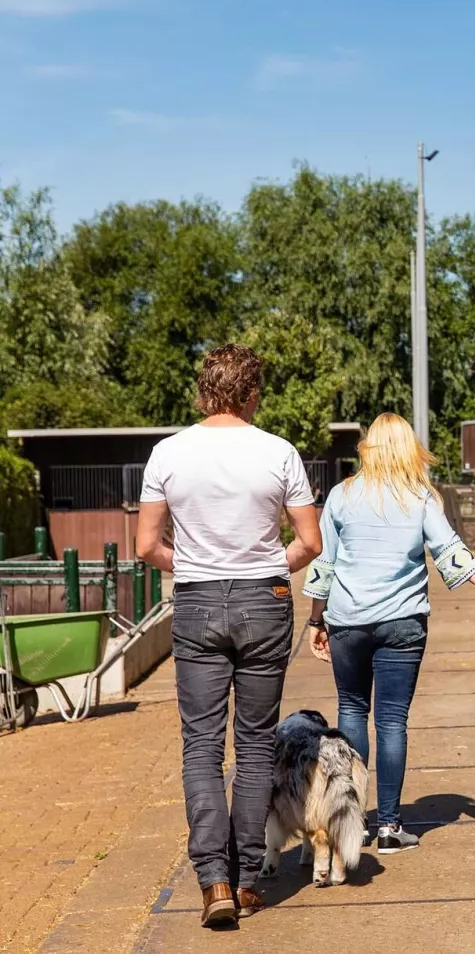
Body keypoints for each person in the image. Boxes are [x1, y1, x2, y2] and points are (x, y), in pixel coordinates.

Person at [136, 344, 323, 928]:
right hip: (264, 600)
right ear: (252, 393)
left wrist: (190, 564)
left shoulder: (167, 453)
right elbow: (310, 543)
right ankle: (245, 881)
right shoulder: (279, 452)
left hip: (195, 602)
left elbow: (146, 547)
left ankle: (212, 880)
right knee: (256, 745)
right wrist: (268, 564)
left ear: (203, 390)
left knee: (201, 745)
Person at [302, 413, 475, 854]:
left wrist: (316, 620)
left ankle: (350, 819)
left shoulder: (341, 495)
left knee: (351, 710)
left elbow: (325, 562)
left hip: (347, 621)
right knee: (392, 720)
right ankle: (391, 825)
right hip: (403, 623)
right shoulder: (420, 497)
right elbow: (449, 549)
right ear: (409, 449)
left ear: (368, 449)